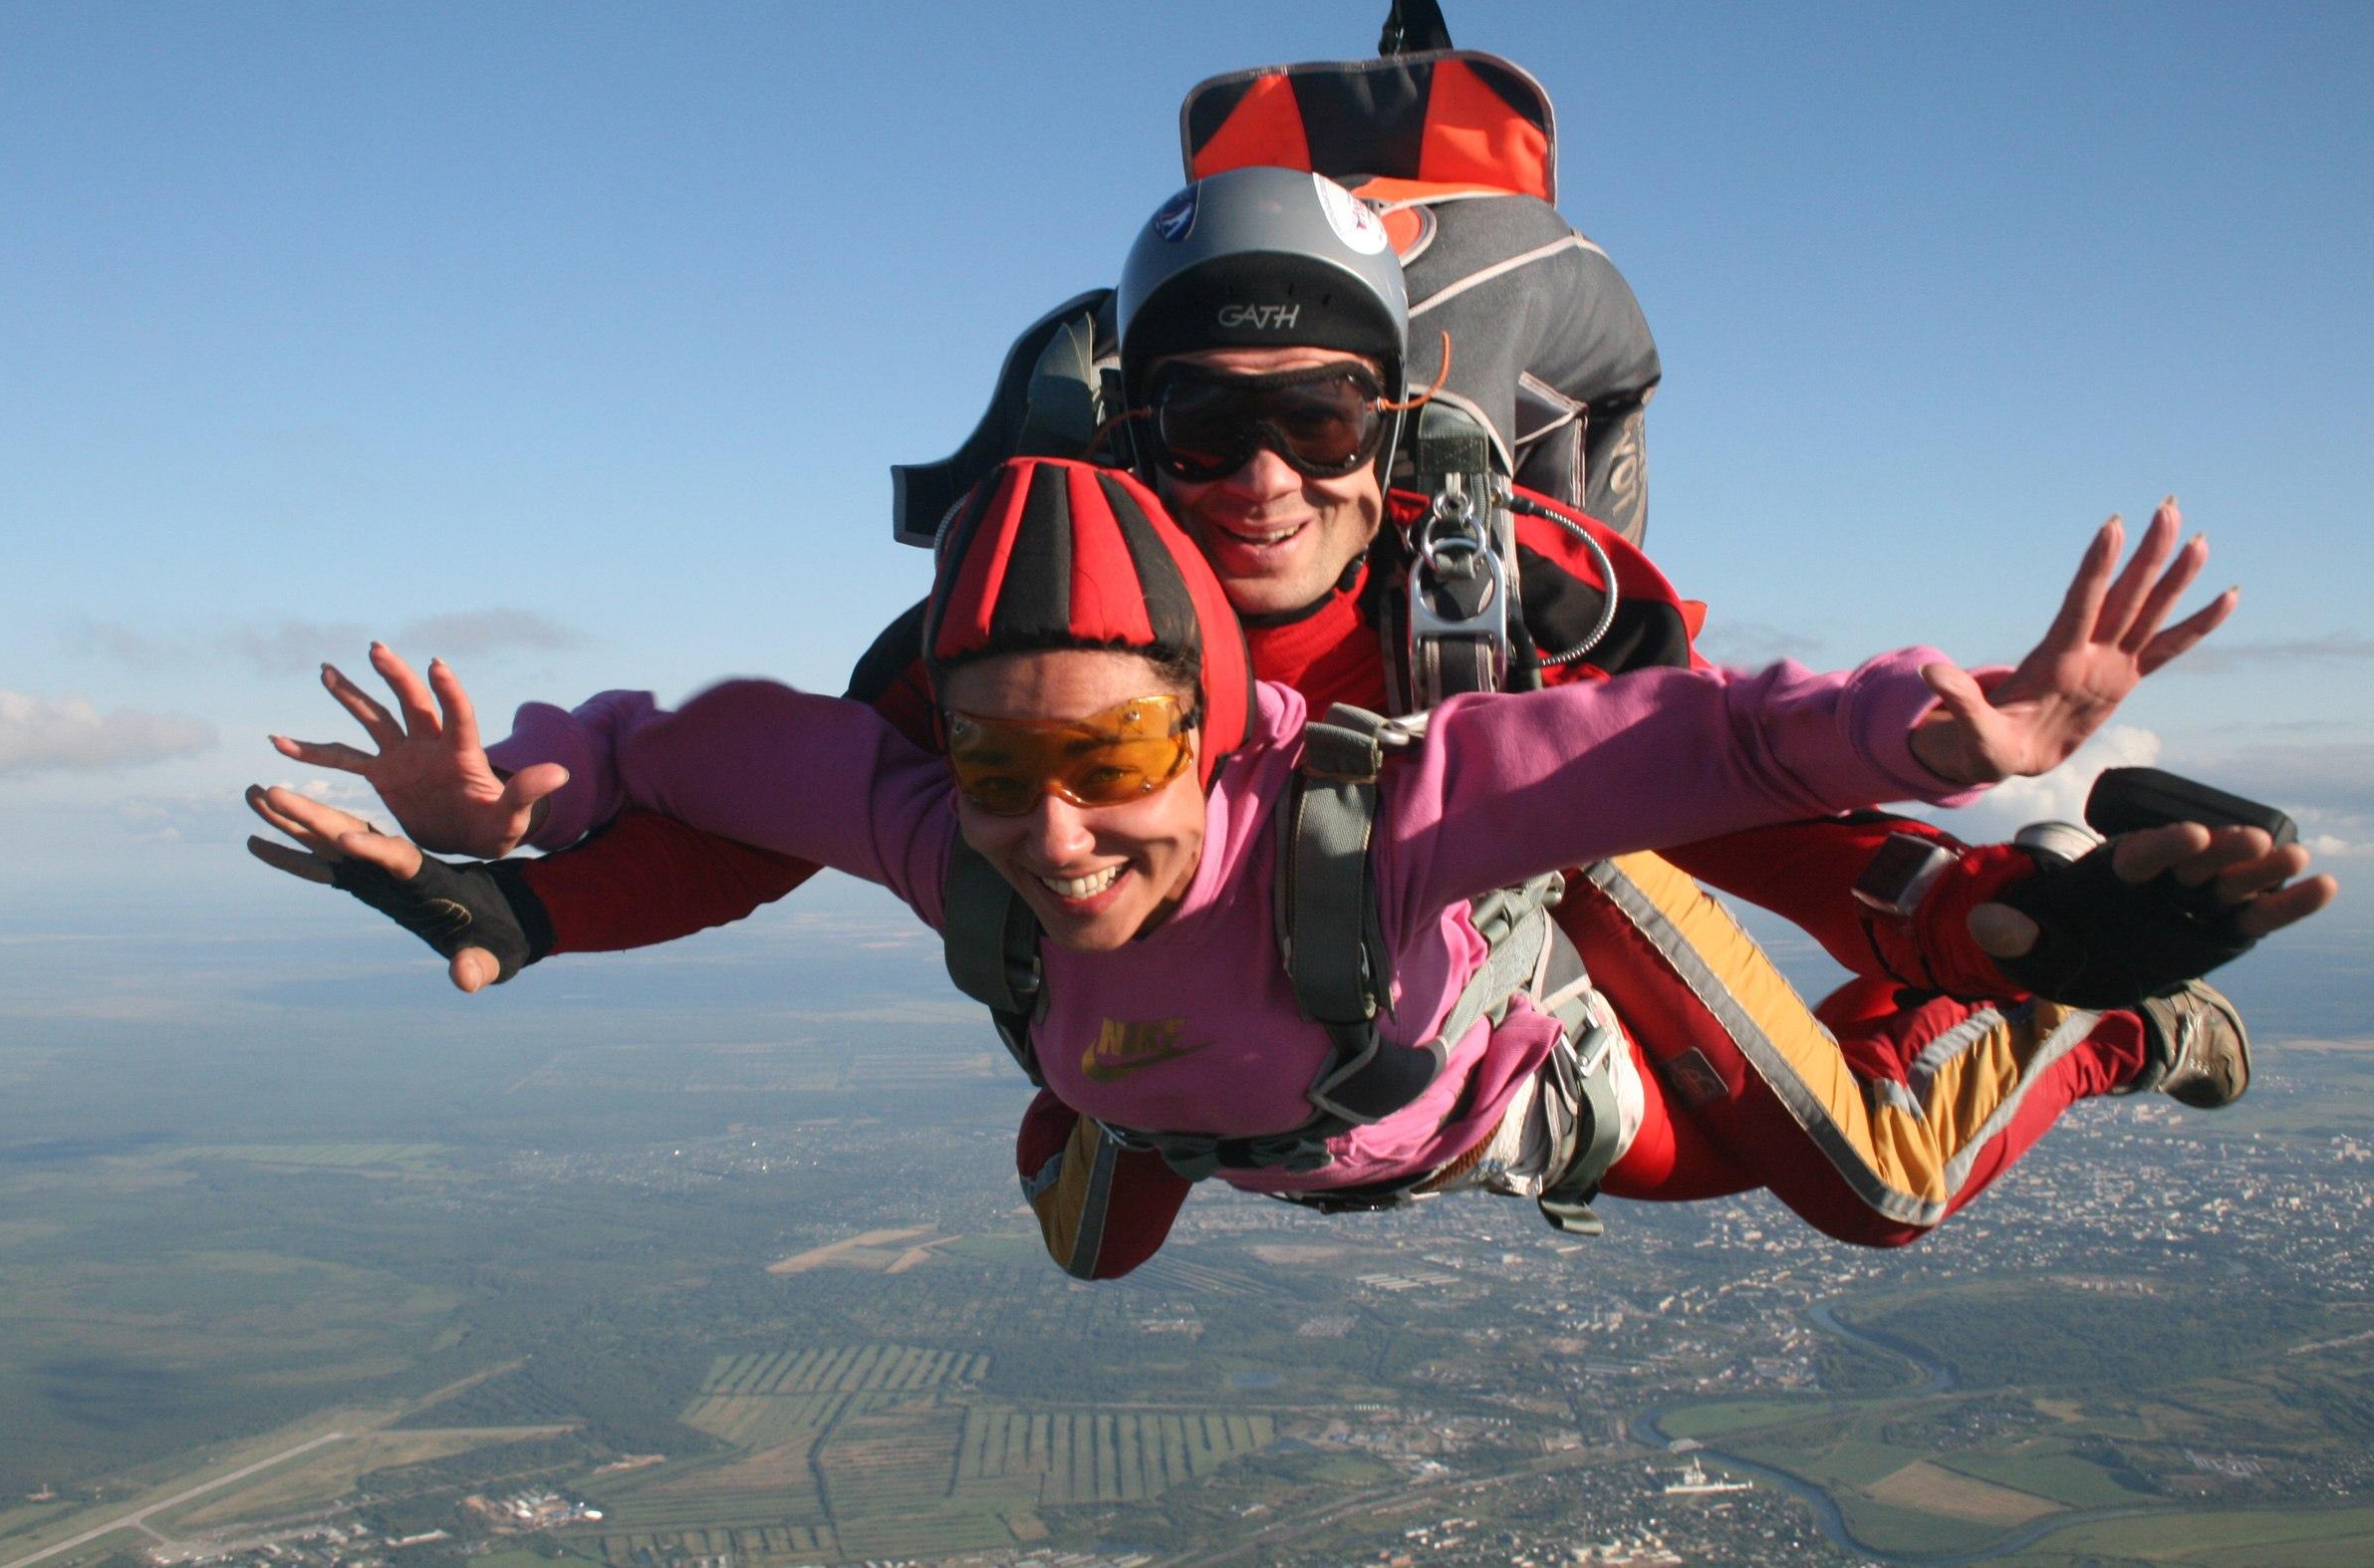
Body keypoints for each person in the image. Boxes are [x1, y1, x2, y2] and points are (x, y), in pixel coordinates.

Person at [267, 171, 2295, 1268]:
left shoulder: (1522, 606)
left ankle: (2091, 1012)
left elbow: (1707, 780)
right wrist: (526, 854)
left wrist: (1973, 906)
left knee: (1867, 1174)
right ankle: (1140, 1092)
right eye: (1198, 424)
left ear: (1390, 429)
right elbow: (750, 790)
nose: (1255, 477)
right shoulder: (1009, 649)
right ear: (1126, 434)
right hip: (1201, 1010)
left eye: (1310, 420)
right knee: (1088, 1113)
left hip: (1498, 896)